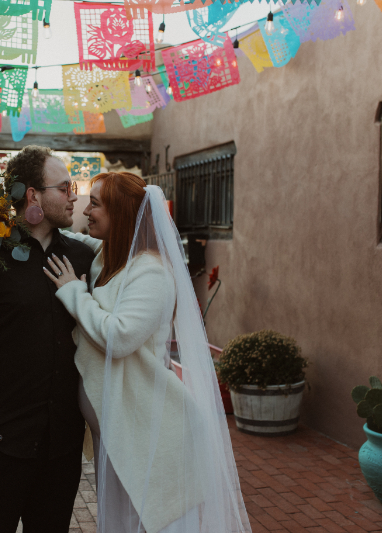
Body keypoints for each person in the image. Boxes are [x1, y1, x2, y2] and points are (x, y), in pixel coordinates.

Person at [44, 172, 252, 533]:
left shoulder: (151, 272)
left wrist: (74, 293)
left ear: (122, 214)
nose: (86, 211)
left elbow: (119, 336)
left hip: (154, 434)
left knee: (156, 522)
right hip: (121, 432)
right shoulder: (107, 256)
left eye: (95, 203)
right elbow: (68, 236)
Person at [0, 146, 95, 533]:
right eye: (65, 187)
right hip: (1, 442)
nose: (74, 194)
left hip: (61, 445)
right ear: (33, 195)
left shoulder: (82, 256)